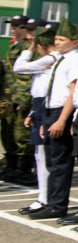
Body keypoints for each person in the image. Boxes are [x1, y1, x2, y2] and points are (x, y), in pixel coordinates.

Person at [25, 19, 78, 220]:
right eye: (57, 39)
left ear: (75, 42)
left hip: (62, 112)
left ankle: (58, 204)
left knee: (60, 162)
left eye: (62, 39)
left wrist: (61, 120)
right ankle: (51, 201)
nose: (57, 42)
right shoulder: (60, 59)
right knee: (52, 161)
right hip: (51, 111)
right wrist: (45, 120)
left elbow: (72, 92)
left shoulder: (74, 61)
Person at [14, 25, 55, 213]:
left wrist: (28, 50)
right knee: (40, 156)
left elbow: (19, 67)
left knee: (45, 157)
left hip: (47, 107)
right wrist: (32, 112)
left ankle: (45, 198)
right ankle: (43, 196)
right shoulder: (46, 60)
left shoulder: (51, 58)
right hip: (40, 105)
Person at [2, 16, 37, 184]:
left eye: (17, 27)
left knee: (22, 134)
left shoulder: (30, 50)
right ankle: (12, 165)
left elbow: (28, 77)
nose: (13, 29)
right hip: (11, 95)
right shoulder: (15, 46)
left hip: (22, 96)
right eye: (12, 26)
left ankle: (24, 169)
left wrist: (25, 100)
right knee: (9, 133)